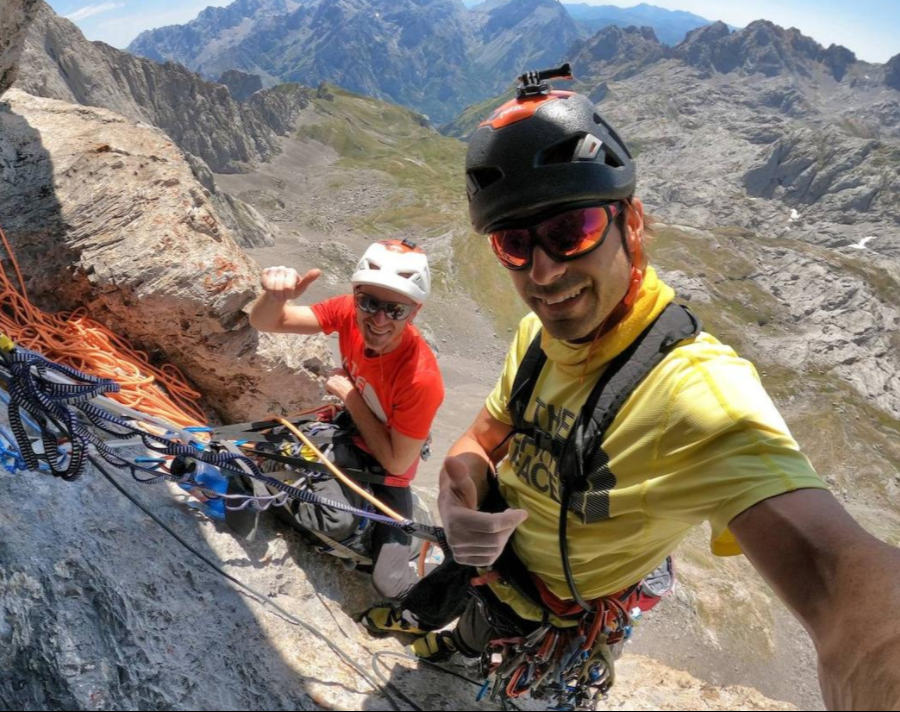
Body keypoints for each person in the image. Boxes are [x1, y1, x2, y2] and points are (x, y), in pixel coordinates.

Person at [363, 80, 900, 710]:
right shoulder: (537, 338)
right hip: (504, 582)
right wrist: (460, 491)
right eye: (514, 243)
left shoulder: (699, 394)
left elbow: (837, 579)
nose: (543, 272)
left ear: (632, 222)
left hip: (569, 614)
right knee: (481, 632)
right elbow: (483, 437)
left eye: (573, 229)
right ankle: (465, 644)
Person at [248, 240, 445, 601]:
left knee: (390, 582)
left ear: (414, 312)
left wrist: (349, 396)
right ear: (355, 297)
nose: (379, 319)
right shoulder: (347, 312)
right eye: (369, 303)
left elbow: (396, 462)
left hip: (386, 469)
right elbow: (265, 321)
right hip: (347, 434)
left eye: (395, 310)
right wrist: (276, 297)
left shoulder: (421, 378)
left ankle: (414, 532)